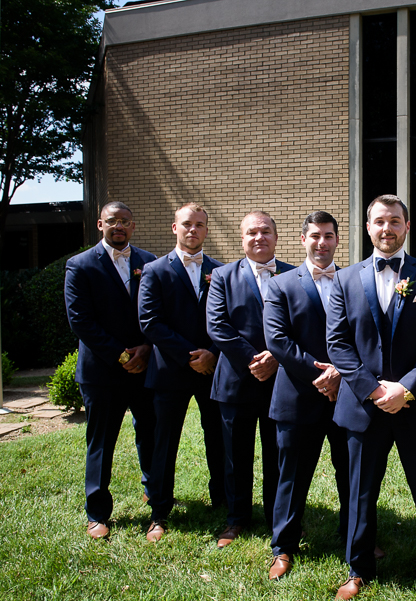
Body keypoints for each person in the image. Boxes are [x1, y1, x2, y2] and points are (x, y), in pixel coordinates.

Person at [326, 195, 416, 601]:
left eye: (395, 221)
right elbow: (337, 343)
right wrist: (373, 388)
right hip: (364, 407)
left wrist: (407, 387)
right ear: (368, 227)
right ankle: (357, 569)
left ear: (407, 226)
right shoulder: (345, 278)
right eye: (379, 221)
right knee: (360, 493)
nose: (387, 228)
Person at [262, 211, 351, 580]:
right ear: (302, 240)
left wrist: (341, 373)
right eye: (314, 235)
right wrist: (321, 374)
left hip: (347, 395)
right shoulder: (281, 284)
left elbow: (364, 336)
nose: (321, 242)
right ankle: (283, 547)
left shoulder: (351, 280)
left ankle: (354, 537)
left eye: (328, 236)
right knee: (292, 476)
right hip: (298, 395)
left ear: (336, 240)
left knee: (351, 474)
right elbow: (278, 341)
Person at [64, 201, 157, 539]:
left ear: (133, 226)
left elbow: (156, 314)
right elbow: (81, 322)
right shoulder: (80, 265)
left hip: (146, 367)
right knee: (101, 442)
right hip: (101, 372)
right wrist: (121, 356)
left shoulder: (149, 262)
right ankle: (97, 512)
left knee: (150, 432)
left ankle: (154, 491)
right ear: (100, 224)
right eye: (113, 221)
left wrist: (147, 349)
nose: (119, 226)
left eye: (126, 221)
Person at [137, 202, 227, 541]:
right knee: (164, 441)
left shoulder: (219, 272)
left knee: (218, 437)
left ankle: (223, 499)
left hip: (211, 370)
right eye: (187, 224)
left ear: (206, 230)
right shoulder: (155, 270)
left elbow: (226, 321)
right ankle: (159, 511)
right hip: (170, 370)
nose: (193, 230)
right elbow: (150, 321)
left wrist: (213, 354)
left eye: (200, 225)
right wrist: (191, 355)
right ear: (175, 228)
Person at [206, 210, 294, 548]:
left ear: (276, 235)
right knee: (235, 455)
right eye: (251, 233)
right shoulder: (222, 276)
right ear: (242, 238)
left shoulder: (293, 274)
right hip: (235, 383)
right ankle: (237, 517)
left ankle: (278, 517)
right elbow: (217, 326)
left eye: (265, 232)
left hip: (281, 384)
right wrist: (253, 360)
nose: (259, 238)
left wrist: (275, 358)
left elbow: (300, 325)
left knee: (278, 454)